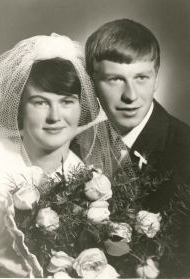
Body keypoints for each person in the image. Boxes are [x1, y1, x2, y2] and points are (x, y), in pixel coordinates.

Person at [0, 33, 125, 277]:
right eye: (40, 102)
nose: (55, 116)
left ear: (81, 108)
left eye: (66, 102)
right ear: (19, 109)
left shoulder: (85, 179)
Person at [85, 18, 190, 277]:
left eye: (141, 77)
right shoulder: (76, 143)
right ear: (92, 83)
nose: (130, 95)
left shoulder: (184, 148)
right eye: (114, 79)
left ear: (156, 80)